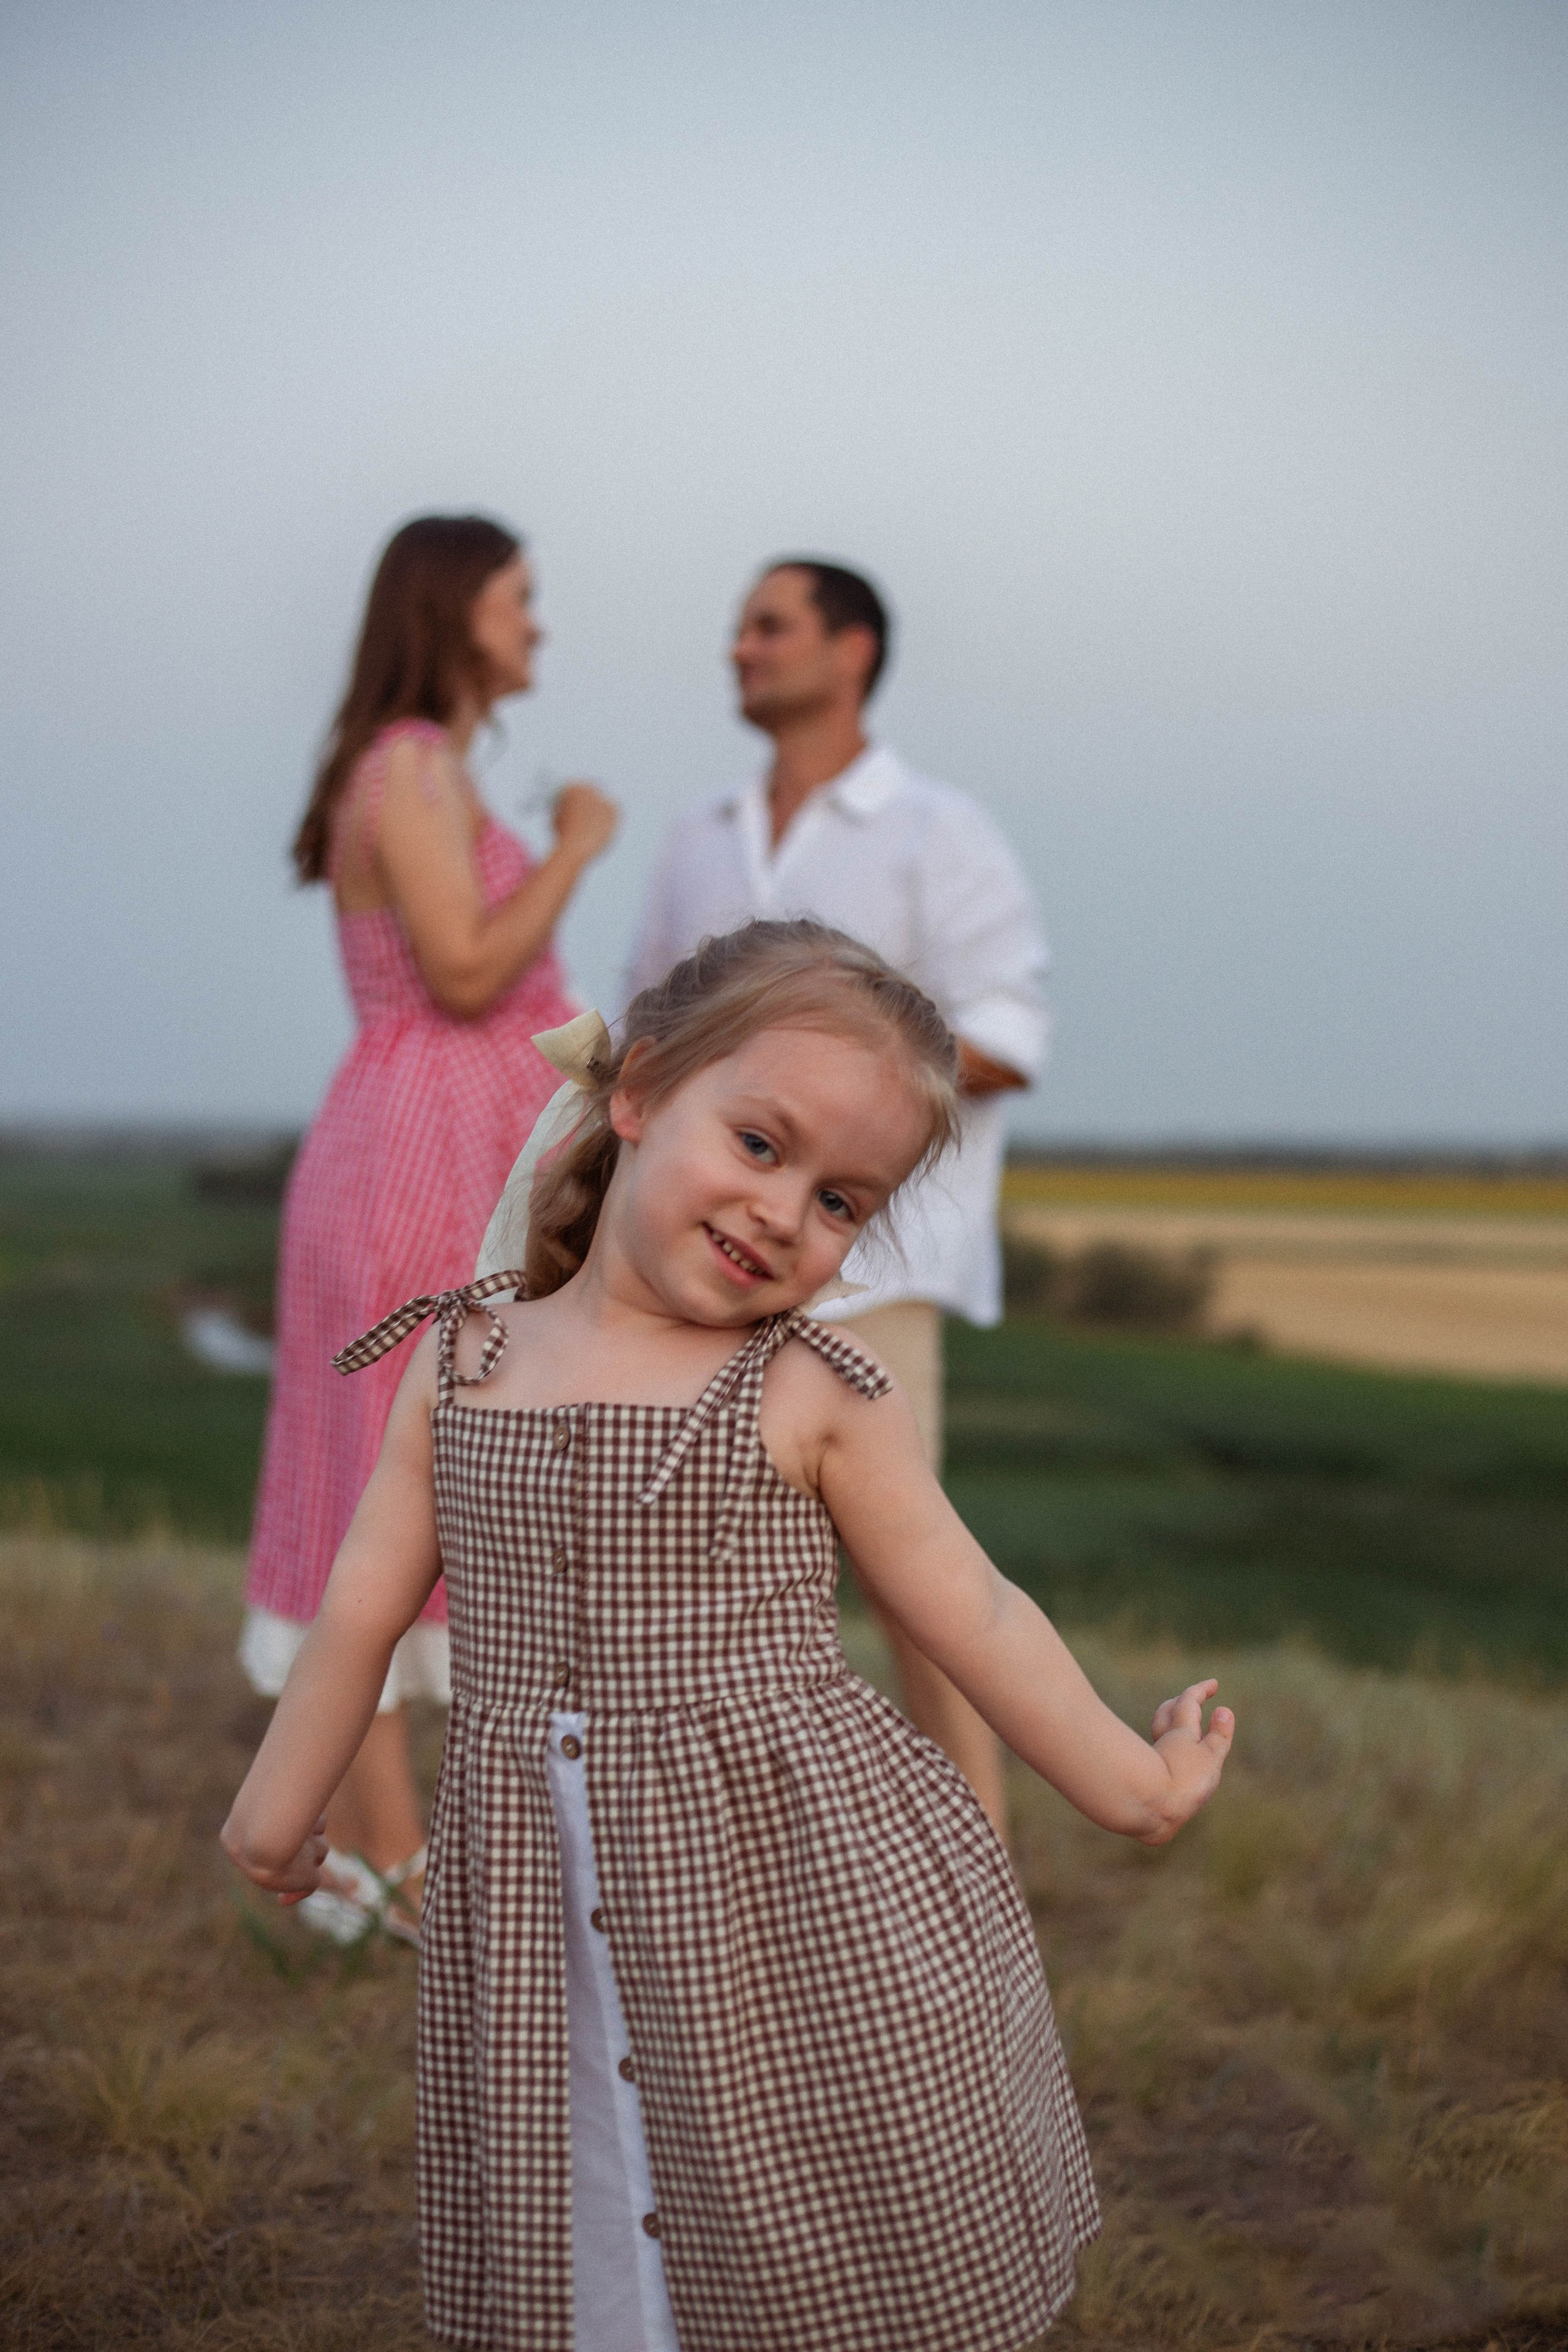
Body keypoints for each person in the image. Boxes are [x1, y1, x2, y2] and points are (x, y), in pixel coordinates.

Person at [222, 918, 1234, 2352]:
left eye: (839, 1201)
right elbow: (363, 1611)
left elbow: (974, 1612)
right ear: (635, 1094)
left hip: (784, 1893)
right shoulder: (460, 1361)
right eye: (758, 1145)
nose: (785, 1212)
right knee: (581, 2179)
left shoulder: (815, 1391)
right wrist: (277, 1812)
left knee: (789, 2205)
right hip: (532, 1900)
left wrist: (1129, 1788)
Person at [241, 512, 617, 1940]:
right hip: (406, 1166)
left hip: (452, 1155)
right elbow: (463, 971)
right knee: (386, 1488)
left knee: (418, 1479)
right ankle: (387, 1866)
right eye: (523, 598)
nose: (539, 626)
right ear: (456, 609)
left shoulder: (430, 768)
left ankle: (366, 1852)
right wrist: (577, 849)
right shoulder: (406, 763)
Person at [627, 558, 1047, 1836]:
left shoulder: (937, 829)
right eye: (738, 625)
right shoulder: (696, 837)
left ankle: (972, 1875)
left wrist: (829, 1076)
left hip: (870, 1275)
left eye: (767, 625)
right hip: (691, 1277)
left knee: (918, 1595)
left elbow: (1008, 1034)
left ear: (849, 650)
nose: (737, 647)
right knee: (692, 1589)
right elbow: (649, 1025)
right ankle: (717, 1864)